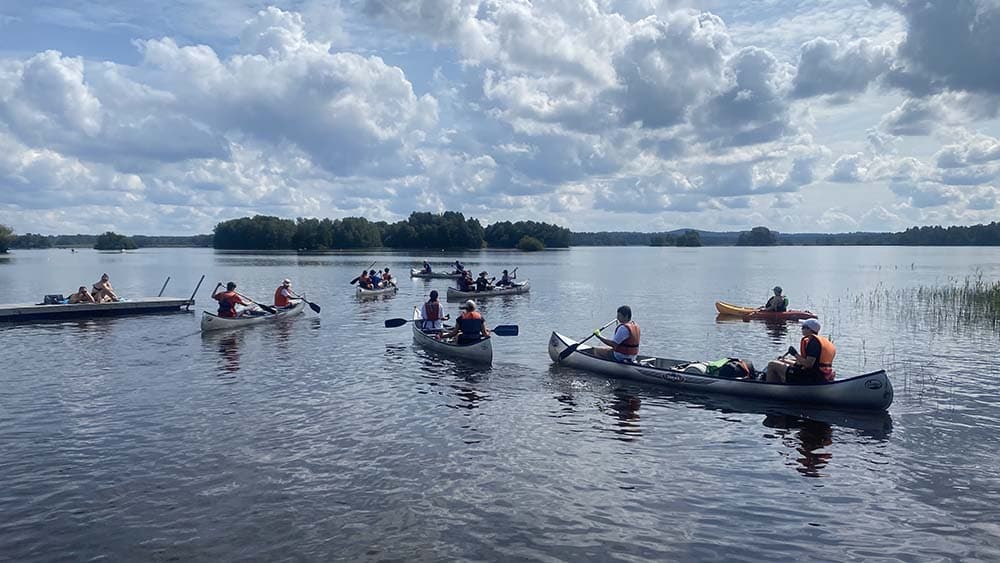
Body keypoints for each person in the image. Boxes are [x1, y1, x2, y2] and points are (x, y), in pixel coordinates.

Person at [765, 319, 836, 384]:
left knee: (772, 364)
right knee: (781, 360)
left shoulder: (813, 343)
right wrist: (786, 360)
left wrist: (795, 354)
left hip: (810, 376)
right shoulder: (821, 341)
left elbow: (808, 364)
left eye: (803, 327)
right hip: (819, 374)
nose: (801, 329)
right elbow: (811, 362)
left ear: (809, 329)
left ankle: (771, 389)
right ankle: (780, 382)